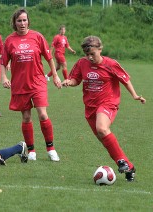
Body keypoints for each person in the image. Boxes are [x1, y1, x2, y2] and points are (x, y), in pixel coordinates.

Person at [62, 35, 146, 181]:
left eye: (92, 54)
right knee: (104, 139)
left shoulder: (111, 64)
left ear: (100, 49)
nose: (89, 57)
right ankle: (129, 166)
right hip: (90, 107)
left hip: (108, 103)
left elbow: (125, 80)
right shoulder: (82, 63)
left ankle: (121, 162)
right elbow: (76, 79)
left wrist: (135, 95)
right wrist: (69, 82)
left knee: (102, 128)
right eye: (87, 54)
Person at [0, 8, 62, 162]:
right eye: (19, 20)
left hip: (37, 82)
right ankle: (31, 150)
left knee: (42, 114)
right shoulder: (9, 40)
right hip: (20, 84)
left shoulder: (37, 37)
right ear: (15, 23)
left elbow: (49, 58)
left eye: (24, 20)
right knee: (26, 117)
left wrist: (55, 76)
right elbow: (2, 63)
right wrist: (4, 78)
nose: (22, 23)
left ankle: (51, 148)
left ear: (28, 21)